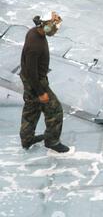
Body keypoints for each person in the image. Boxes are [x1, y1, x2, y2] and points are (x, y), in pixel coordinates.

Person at [19, 11, 70, 153]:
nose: (55, 30)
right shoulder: (35, 45)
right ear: (45, 25)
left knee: (31, 110)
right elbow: (31, 72)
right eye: (54, 27)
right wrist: (41, 92)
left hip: (30, 80)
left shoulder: (34, 32)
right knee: (55, 110)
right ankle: (52, 141)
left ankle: (27, 139)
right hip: (36, 82)